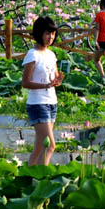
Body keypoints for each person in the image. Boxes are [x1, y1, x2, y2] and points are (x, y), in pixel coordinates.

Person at [22, 16, 65, 166]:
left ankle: (28, 178)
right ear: (39, 33)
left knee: (40, 147)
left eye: (53, 34)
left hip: (52, 102)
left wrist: (57, 81)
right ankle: (42, 179)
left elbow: (52, 80)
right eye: (47, 33)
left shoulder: (52, 55)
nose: (50, 37)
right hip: (38, 104)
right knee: (51, 145)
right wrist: (45, 85)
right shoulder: (32, 54)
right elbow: (25, 82)